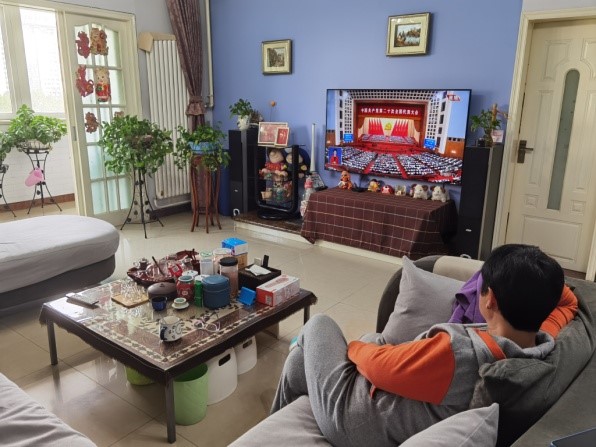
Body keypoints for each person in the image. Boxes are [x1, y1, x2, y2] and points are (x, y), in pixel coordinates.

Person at [271, 244, 578, 447]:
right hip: (391, 411)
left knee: (318, 324)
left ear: (490, 300)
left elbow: (380, 366)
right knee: (298, 360)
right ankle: (276, 430)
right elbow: (569, 301)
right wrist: (535, 275)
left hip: (353, 422)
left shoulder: (457, 352)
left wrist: (355, 347)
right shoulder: (541, 340)